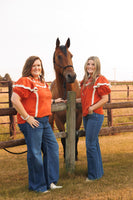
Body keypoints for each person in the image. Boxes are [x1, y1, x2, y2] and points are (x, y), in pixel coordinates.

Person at [11, 56, 64, 193]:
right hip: (31, 122)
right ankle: (37, 186)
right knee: (35, 153)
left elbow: (41, 99)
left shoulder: (42, 82)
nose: (37, 68)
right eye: (34, 65)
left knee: (52, 148)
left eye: (39, 65)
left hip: (44, 121)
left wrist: (53, 101)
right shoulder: (25, 81)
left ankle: (50, 181)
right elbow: (15, 100)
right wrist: (27, 117)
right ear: (28, 67)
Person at [76, 56, 111, 181]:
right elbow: (84, 99)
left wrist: (92, 108)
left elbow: (105, 99)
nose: (90, 66)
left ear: (97, 66)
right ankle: (98, 172)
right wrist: (69, 101)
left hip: (95, 115)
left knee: (90, 145)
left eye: (93, 64)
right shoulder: (86, 81)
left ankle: (93, 176)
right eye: (88, 64)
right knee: (94, 144)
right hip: (87, 116)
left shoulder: (100, 79)